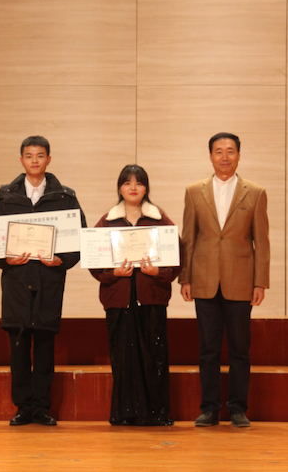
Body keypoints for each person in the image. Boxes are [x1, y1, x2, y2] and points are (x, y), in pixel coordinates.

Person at [0, 135, 87, 426]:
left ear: (49, 159)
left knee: (44, 349)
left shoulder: (64, 196)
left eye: (40, 155)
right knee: (18, 348)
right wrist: (5, 260)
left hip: (48, 281)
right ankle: (22, 408)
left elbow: (80, 238)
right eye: (29, 156)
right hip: (17, 282)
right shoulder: (5, 196)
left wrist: (61, 261)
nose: (35, 160)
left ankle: (42, 408)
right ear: (21, 160)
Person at [178, 132, 270, 428]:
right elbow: (188, 237)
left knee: (241, 349)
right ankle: (209, 408)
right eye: (219, 151)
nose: (225, 157)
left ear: (239, 155)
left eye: (230, 151)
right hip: (204, 279)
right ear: (210, 156)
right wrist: (185, 278)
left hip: (241, 281)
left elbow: (262, 242)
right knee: (208, 349)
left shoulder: (255, 192)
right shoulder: (194, 191)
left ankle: (238, 408)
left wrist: (260, 282)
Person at [89, 165, 180, 426]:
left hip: (151, 298)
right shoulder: (107, 220)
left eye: (138, 183)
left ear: (146, 188)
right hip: (118, 300)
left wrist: (158, 272)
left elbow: (177, 257)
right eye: (127, 183)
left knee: (154, 356)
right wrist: (113, 273)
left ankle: (157, 413)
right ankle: (124, 414)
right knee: (122, 358)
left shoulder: (160, 219)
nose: (132, 187)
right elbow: (95, 263)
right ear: (119, 188)